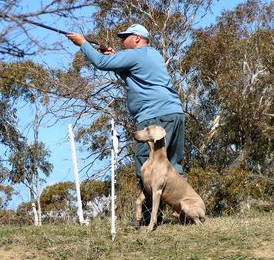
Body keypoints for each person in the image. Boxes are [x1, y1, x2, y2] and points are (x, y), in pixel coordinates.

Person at [66, 24, 185, 225]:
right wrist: (117, 57)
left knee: (145, 167)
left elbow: (101, 63)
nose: (122, 41)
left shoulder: (137, 55)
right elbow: (134, 75)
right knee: (172, 164)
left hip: (153, 117)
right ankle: (183, 212)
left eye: (125, 37)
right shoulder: (152, 54)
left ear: (137, 38)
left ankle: (149, 219)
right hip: (174, 113)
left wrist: (83, 43)